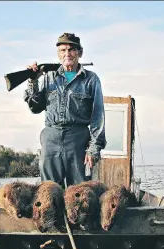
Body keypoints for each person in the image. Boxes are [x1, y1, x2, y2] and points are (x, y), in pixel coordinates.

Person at [24, 32, 106, 188]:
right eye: (63, 50)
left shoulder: (91, 79)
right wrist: (32, 81)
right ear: (58, 54)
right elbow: (35, 107)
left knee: (80, 194)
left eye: (71, 50)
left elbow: (98, 116)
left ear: (79, 53)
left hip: (78, 140)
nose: (67, 54)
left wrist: (93, 149)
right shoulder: (48, 77)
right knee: (49, 191)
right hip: (51, 138)